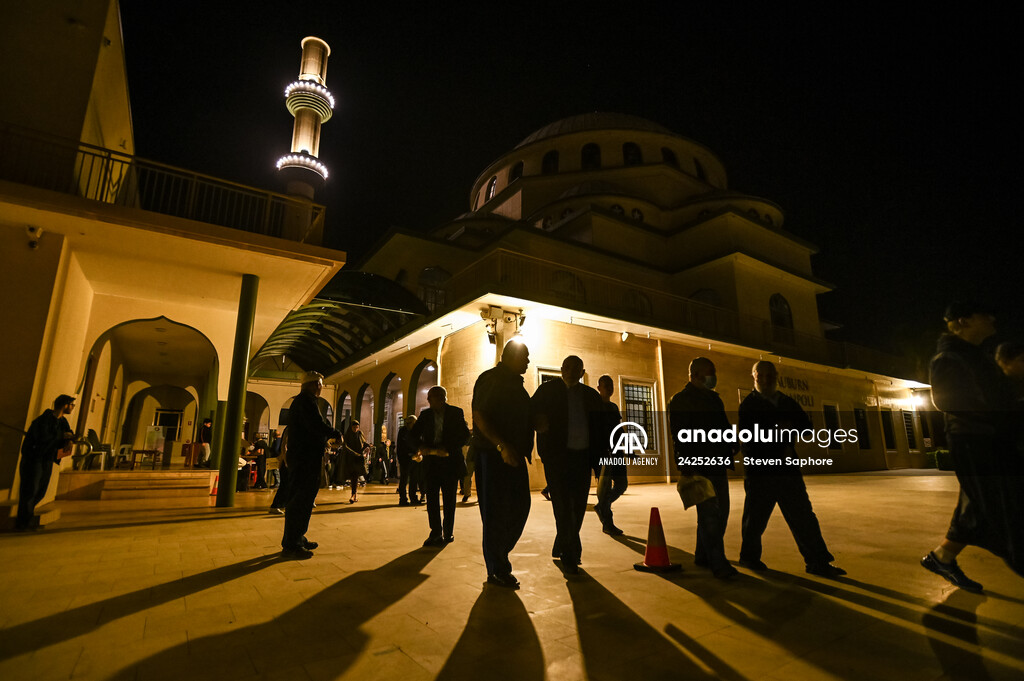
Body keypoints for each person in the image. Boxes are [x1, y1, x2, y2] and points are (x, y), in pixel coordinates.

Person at [922, 302, 1023, 590]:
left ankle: (942, 557)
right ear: (962, 322)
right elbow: (947, 401)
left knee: (977, 505)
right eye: (984, 314)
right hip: (976, 443)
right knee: (1006, 508)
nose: (992, 318)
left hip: (993, 440)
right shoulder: (949, 358)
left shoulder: (976, 357)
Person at [738, 360, 846, 577]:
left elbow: (807, 428)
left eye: (771, 375)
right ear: (754, 377)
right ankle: (749, 558)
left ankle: (818, 562)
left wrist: (791, 428)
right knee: (755, 520)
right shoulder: (748, 406)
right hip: (761, 473)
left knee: (804, 517)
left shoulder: (787, 403)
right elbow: (747, 440)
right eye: (762, 375)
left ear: (776, 376)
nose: (767, 379)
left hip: (788, 471)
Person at [531, 355, 604, 574]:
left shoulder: (591, 396)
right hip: (557, 459)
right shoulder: (547, 391)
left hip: (582, 459)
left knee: (579, 505)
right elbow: (530, 412)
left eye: (577, 369)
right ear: (561, 370)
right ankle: (569, 554)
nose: (572, 372)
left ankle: (562, 543)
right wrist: (538, 420)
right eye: (568, 368)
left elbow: (601, 430)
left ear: (583, 373)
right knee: (562, 506)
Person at [668, 358, 738, 579]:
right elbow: (679, 436)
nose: (713, 376)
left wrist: (733, 444)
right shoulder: (681, 400)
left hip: (718, 463)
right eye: (710, 372)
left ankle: (702, 554)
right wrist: (686, 464)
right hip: (699, 465)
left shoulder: (714, 400)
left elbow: (724, 427)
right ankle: (718, 563)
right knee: (710, 515)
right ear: (696, 374)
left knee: (722, 512)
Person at [472, 340, 534, 588]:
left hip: (514, 457)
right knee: (496, 514)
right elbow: (480, 415)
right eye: (525, 356)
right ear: (510, 356)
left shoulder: (517, 386)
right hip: (493, 456)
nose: (528, 361)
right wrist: (501, 446)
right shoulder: (492, 379)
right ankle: (497, 568)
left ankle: (499, 556)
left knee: (520, 507)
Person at [280, 372, 341, 559]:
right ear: (314, 385)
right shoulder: (306, 401)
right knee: (300, 499)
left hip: (304, 457)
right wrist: (335, 433)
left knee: (304, 499)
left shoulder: (303, 401)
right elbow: (316, 425)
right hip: (305, 459)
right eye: (320, 384)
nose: (321, 387)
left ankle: (298, 536)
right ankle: (292, 544)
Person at [410, 386, 471, 546]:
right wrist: (420, 447)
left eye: (435, 397)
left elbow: (465, 436)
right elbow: (412, 436)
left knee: (449, 499)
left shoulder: (456, 413)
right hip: (431, 462)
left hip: (450, 461)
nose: (431, 401)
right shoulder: (425, 415)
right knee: (431, 499)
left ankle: (448, 532)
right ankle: (435, 532)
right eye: (430, 398)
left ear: (443, 398)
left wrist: (447, 448)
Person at [16, 394, 75, 531]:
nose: (72, 408)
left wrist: (69, 440)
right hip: (34, 458)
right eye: (72, 405)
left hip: (48, 458)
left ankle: (26, 516)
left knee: (41, 490)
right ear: (65, 405)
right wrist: (62, 436)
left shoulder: (62, 421)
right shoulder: (43, 420)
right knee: (30, 489)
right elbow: (43, 437)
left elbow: (69, 433)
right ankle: (23, 522)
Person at [593, 375, 625, 536]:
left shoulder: (613, 407)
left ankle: (602, 506)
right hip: (603, 453)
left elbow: (618, 429)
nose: (610, 389)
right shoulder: (594, 406)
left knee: (622, 484)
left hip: (616, 451)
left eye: (611, 386)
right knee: (604, 489)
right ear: (599, 387)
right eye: (606, 386)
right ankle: (608, 522)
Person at [341, 420, 369, 503]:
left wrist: (367, 448)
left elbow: (363, 443)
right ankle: (354, 495)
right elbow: (345, 446)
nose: (356, 429)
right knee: (353, 477)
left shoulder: (360, 434)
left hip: (358, 459)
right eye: (354, 427)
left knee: (355, 477)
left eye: (357, 427)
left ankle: (354, 495)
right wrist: (354, 453)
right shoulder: (348, 435)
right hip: (350, 459)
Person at [396, 415, 420, 506]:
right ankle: (403, 499)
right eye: (414, 423)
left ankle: (413, 497)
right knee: (404, 480)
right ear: (409, 423)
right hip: (405, 459)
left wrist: (418, 451)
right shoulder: (403, 431)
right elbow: (402, 446)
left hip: (414, 459)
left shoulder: (414, 431)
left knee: (414, 479)